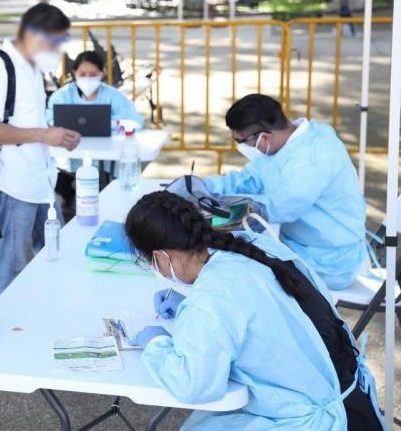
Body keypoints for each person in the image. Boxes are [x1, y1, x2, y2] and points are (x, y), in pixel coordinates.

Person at [125, 191, 384, 430]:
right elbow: (266, 311)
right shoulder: (249, 244)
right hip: (352, 399)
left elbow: (195, 385)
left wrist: (156, 343)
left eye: (148, 261)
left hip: (314, 420)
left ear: (161, 256)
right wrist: (187, 307)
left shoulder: (212, 299)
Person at [0, 3, 81, 302]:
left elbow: (24, 121)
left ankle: (49, 313)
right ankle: (0, 335)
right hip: (13, 183)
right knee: (12, 265)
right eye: (54, 42)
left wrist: (53, 135)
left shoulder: (31, 68)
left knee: (54, 250)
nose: (58, 51)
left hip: (40, 180)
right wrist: (45, 135)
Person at [202, 94, 367, 289]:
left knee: (240, 280)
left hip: (329, 262)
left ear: (263, 136)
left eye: (243, 142)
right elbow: (250, 178)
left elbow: (270, 210)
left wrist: (210, 222)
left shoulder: (312, 156)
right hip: (300, 246)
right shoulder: (287, 144)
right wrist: (203, 186)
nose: (244, 148)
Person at [47, 50, 144, 128]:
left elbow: (135, 121)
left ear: (103, 73)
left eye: (93, 75)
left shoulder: (113, 96)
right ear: (74, 72)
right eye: (82, 74)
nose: (87, 78)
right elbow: (49, 120)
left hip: (107, 147)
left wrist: (113, 124)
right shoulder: (62, 95)